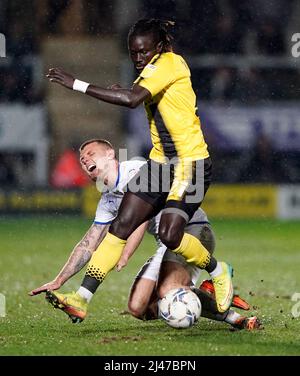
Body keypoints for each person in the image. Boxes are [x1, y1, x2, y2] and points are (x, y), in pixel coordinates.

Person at [46, 19, 233, 317]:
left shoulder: (170, 63)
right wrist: (126, 89)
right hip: (161, 162)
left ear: (159, 47)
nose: (138, 58)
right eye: (133, 52)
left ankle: (219, 270)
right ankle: (81, 298)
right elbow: (142, 95)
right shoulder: (152, 70)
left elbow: (133, 100)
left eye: (144, 52)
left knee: (171, 235)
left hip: (190, 164)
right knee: (120, 225)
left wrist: (77, 84)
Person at [29, 139, 259, 330]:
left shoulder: (137, 169)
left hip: (192, 231)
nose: (85, 159)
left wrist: (125, 252)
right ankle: (222, 308)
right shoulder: (107, 200)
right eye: (81, 160)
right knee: (140, 308)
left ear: (110, 154)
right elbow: (89, 244)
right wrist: (60, 279)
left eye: (90, 153)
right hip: (166, 244)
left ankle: (212, 282)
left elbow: (142, 217)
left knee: (167, 291)